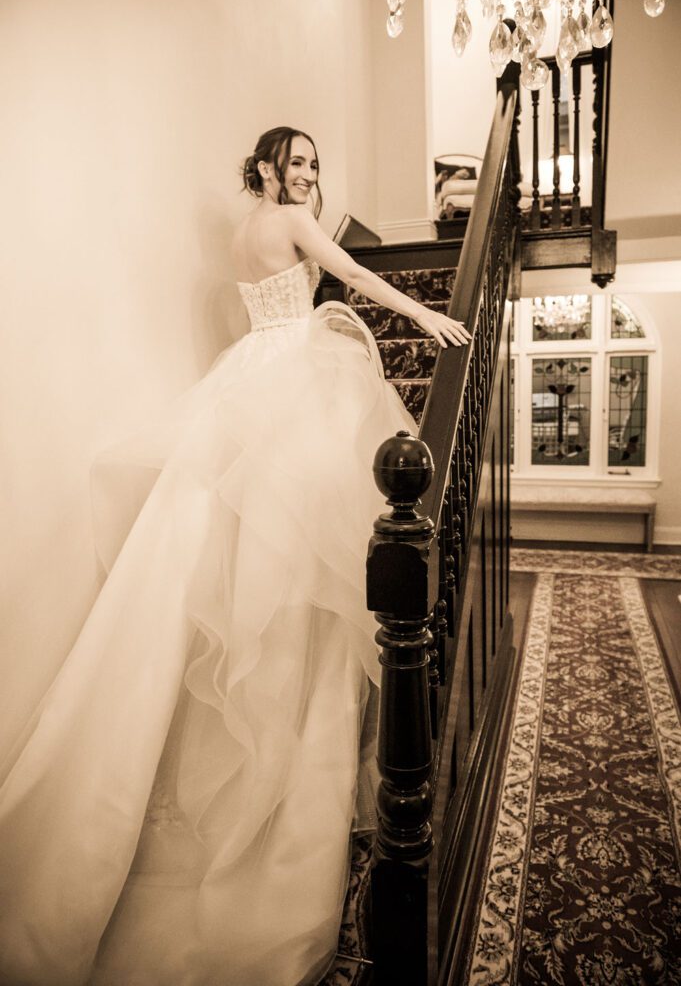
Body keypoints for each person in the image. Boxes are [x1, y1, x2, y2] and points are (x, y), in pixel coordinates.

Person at [0, 126, 470, 986]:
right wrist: (425, 314)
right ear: (262, 168)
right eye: (295, 165)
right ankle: (294, 766)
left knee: (245, 547)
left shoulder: (239, 232)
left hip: (247, 374)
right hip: (294, 373)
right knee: (301, 555)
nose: (307, 179)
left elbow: (268, 301)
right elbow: (358, 275)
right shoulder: (289, 225)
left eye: (314, 168)